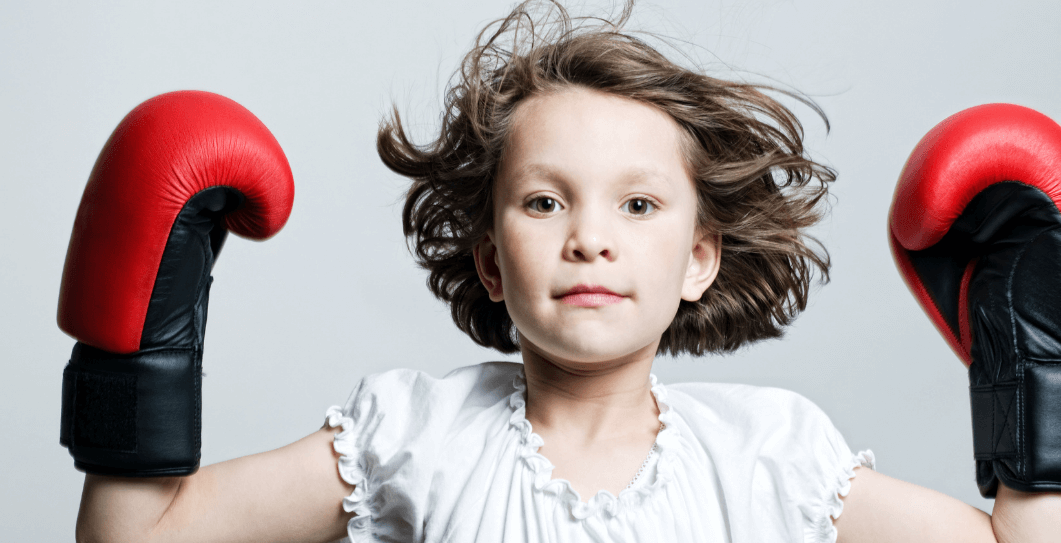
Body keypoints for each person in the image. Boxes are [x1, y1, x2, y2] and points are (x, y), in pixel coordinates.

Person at [71, 1, 1061, 542]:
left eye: (637, 206)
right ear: (492, 264)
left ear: (698, 260)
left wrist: (1035, 367)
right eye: (546, 203)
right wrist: (144, 344)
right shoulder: (409, 439)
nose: (590, 238)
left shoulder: (770, 457)